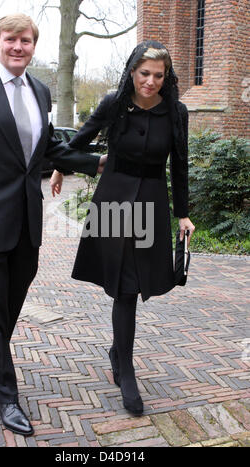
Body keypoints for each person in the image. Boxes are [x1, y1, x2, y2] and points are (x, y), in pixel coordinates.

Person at [0, 13, 105, 436]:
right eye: (11, 40)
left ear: (33, 47)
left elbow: (49, 147)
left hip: (26, 218)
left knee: (9, 302)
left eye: (26, 41)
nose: (19, 47)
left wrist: (96, 162)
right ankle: (5, 396)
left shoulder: (39, 89)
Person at [50, 40, 195, 415]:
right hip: (112, 201)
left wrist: (183, 213)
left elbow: (179, 165)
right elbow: (75, 143)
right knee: (123, 286)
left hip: (150, 203)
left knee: (132, 284)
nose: (150, 81)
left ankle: (119, 353)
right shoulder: (115, 103)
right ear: (132, 71)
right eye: (144, 73)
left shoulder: (176, 112)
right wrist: (63, 167)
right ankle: (126, 370)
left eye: (158, 75)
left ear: (167, 77)